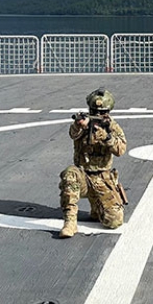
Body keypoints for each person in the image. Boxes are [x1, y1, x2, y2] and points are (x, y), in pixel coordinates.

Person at [58, 88, 128, 239]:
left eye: (101, 112)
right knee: (70, 175)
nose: (97, 114)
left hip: (103, 178)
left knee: (114, 221)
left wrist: (106, 137)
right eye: (94, 111)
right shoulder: (82, 124)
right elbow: (73, 134)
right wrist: (80, 125)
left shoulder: (111, 126)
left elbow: (120, 149)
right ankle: (70, 222)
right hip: (83, 175)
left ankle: (97, 207)